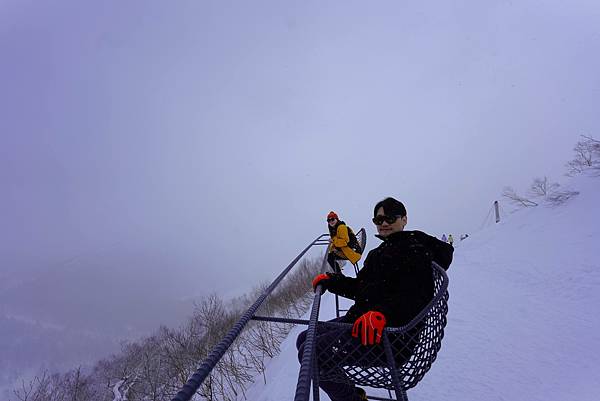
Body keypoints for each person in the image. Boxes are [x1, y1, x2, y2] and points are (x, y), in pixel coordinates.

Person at [297, 197, 453, 401]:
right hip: (363, 323)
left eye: (390, 217)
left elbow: (417, 297)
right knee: (304, 338)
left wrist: (384, 315)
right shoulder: (377, 253)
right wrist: (331, 281)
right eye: (378, 220)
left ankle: (350, 399)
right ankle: (352, 395)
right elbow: (361, 288)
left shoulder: (414, 249)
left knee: (315, 352)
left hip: (390, 336)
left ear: (404, 219)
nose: (384, 223)